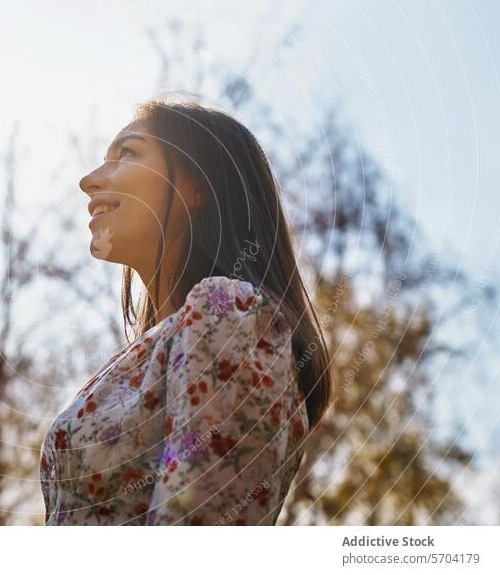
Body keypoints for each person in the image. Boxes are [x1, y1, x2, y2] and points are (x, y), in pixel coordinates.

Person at [39, 98, 333, 526]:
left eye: (127, 153)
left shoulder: (233, 317)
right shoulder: (149, 354)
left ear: (196, 185)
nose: (88, 181)